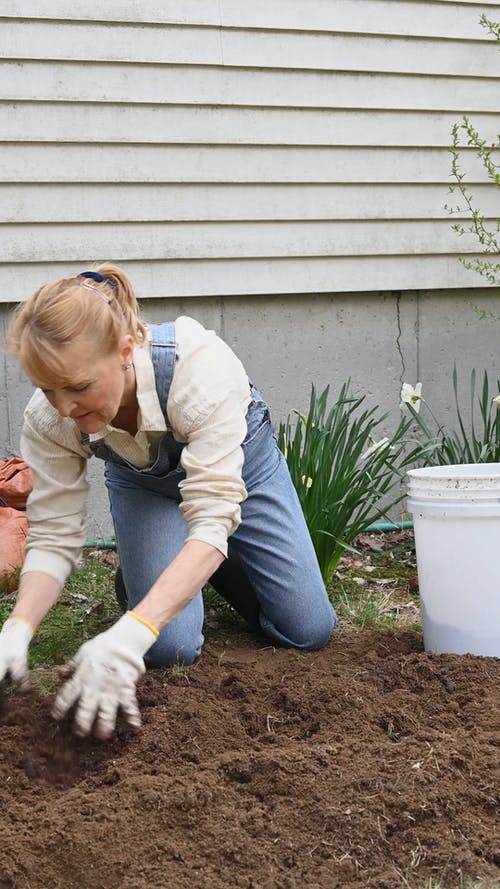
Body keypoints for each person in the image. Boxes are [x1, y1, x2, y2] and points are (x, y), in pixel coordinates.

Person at [0, 265, 336, 739]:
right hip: (144, 485)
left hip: (242, 470)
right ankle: (158, 570)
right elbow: (54, 534)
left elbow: (214, 517)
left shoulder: (198, 369)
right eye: (47, 389)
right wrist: (18, 628)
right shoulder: (52, 419)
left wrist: (132, 629)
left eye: (78, 387)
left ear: (123, 351)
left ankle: (181, 567)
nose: (64, 408)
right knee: (168, 648)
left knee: (309, 629)